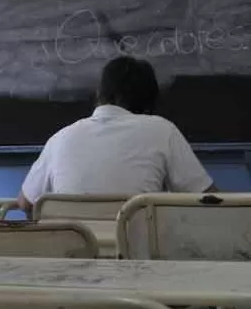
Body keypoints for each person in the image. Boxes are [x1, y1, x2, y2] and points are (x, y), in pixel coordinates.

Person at [18, 56, 215, 216]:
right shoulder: (162, 130)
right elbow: (208, 198)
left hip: (72, 256)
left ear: (99, 93)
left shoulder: (59, 139)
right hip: (140, 257)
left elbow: (25, 203)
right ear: (147, 101)